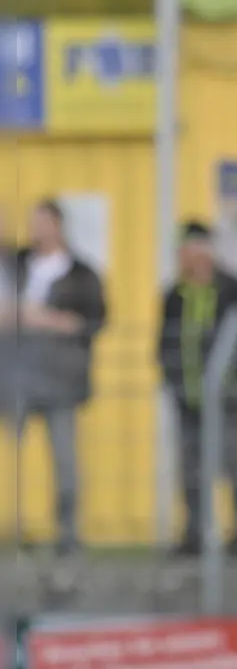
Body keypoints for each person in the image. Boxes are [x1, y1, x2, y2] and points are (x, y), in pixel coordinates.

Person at [158, 221, 237, 556]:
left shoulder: (233, 290)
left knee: (230, 463)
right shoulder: (174, 294)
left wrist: (224, 376)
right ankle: (194, 534)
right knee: (190, 468)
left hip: (226, 397)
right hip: (185, 397)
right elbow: (164, 344)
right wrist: (174, 381)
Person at [12, 199, 106, 555]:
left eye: (42, 221)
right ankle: (18, 534)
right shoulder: (16, 265)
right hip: (15, 379)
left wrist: (46, 319)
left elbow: (94, 320)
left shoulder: (81, 273)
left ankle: (67, 535)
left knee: (65, 461)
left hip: (60, 381)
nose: (35, 229)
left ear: (58, 225)